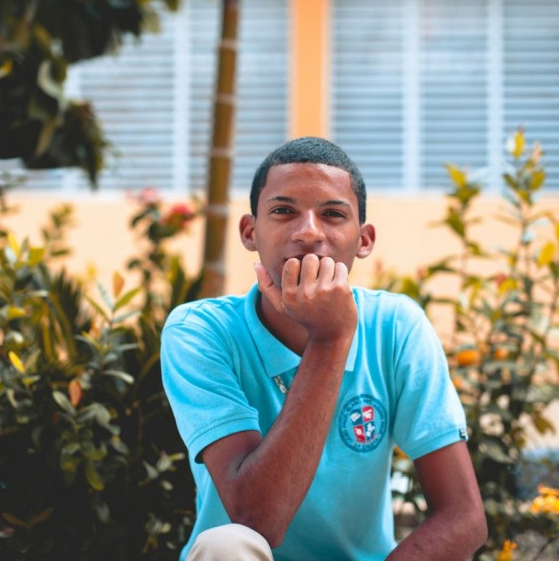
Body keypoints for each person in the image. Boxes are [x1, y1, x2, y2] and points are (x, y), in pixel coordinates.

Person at [160, 137, 486, 560]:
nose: (309, 232)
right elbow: (258, 520)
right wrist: (330, 339)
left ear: (364, 240)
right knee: (224, 545)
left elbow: (464, 517)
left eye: (332, 214)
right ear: (249, 232)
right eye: (283, 211)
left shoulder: (396, 327)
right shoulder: (201, 332)